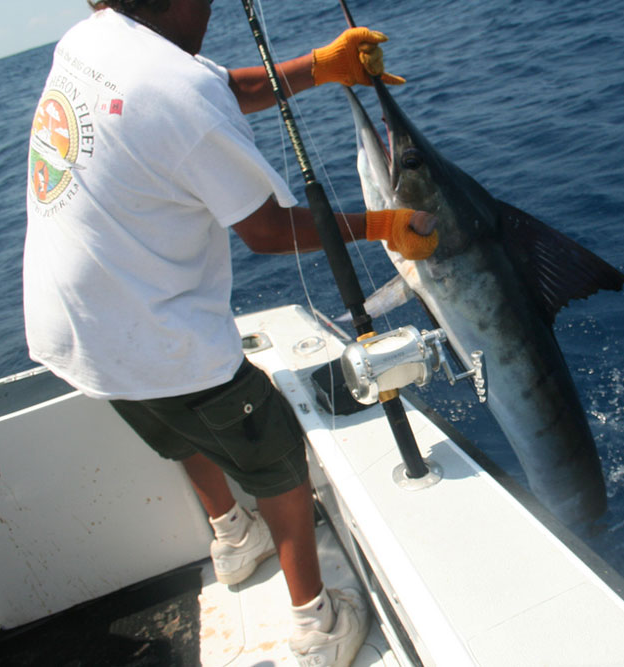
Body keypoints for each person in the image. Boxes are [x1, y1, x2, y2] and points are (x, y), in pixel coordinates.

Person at [22, 1, 437, 665]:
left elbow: (214, 88)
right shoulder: (171, 85)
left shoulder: (94, 39)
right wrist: (385, 226)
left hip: (78, 332)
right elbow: (269, 229)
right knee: (274, 449)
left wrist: (320, 69)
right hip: (148, 331)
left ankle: (233, 538)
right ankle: (316, 624)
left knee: (176, 421)